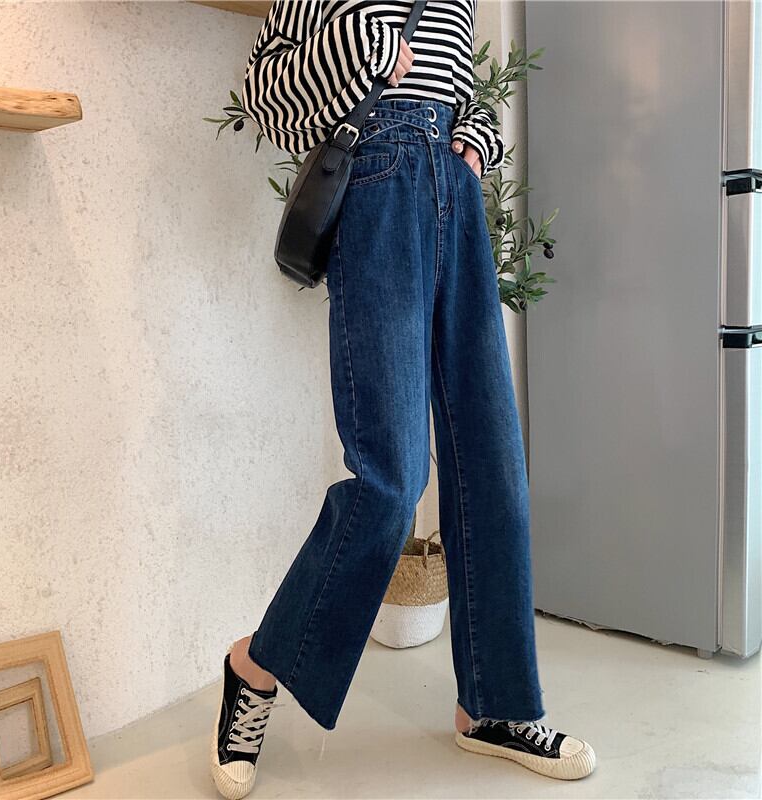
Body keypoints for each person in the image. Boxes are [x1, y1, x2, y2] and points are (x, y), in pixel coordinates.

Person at [211, 2, 596, 797]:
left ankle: (492, 707)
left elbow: (468, 91)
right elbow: (263, 88)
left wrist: (475, 140)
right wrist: (363, 50)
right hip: (377, 191)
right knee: (391, 480)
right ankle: (255, 665)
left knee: (492, 461)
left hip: (454, 196)